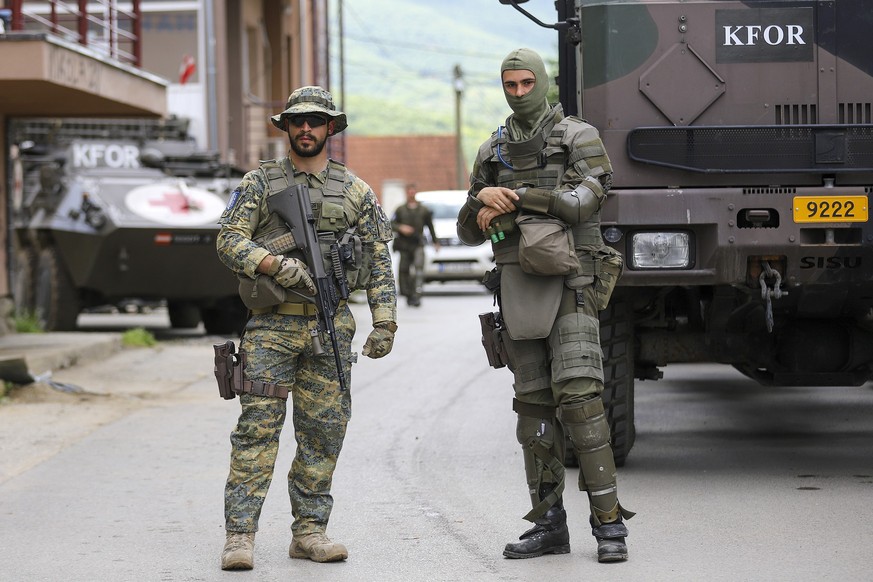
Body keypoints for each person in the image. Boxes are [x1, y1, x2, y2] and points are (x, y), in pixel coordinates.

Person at [457, 48, 634, 563]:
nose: (517, 93)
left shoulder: (578, 137)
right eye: (509, 84)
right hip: (518, 289)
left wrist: (516, 197)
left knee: (580, 400)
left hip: (573, 282)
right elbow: (468, 230)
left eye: (525, 82)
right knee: (533, 408)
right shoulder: (493, 149)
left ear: (543, 83)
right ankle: (548, 523)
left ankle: (609, 526)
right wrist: (479, 204)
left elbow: (585, 202)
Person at [215, 86, 397, 570]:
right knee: (257, 431)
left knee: (323, 432)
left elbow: (379, 258)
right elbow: (228, 239)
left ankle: (310, 532)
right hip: (271, 328)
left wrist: (385, 321)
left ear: (330, 127)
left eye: (316, 121)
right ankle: (239, 537)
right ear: (287, 128)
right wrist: (272, 262)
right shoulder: (260, 182)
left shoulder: (355, 190)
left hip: (331, 326)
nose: (306, 129)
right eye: (298, 122)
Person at [391, 183, 440, 306]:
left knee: (418, 269)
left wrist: (435, 242)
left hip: (418, 243)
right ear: (407, 193)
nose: (411, 194)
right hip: (404, 244)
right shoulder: (400, 209)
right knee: (404, 270)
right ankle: (407, 293)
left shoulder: (423, 210)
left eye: (413, 191)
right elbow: (391, 224)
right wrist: (401, 227)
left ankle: (417, 294)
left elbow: (430, 226)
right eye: (409, 191)